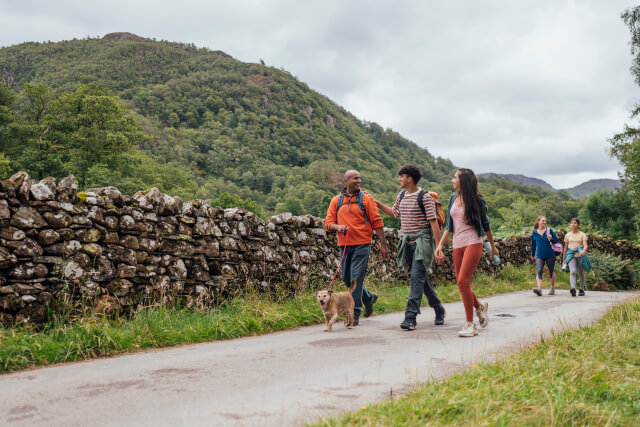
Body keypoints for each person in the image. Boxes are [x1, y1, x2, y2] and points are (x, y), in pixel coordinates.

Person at [374, 164, 446, 330]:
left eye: (401, 176)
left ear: (410, 179)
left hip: (422, 243)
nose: (399, 179)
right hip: (407, 244)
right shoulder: (402, 195)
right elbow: (395, 213)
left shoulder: (425, 197)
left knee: (416, 278)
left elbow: (433, 223)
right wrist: (377, 204)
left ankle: (410, 317)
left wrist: (438, 247)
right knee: (420, 278)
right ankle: (438, 308)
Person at [435, 168, 499, 338]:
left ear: (463, 181)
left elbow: (486, 225)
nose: (452, 180)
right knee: (462, 283)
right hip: (457, 244)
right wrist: (440, 245)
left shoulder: (478, 201)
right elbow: (449, 225)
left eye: (454, 177)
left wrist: (493, 247)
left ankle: (470, 324)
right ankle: (479, 308)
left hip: (473, 242)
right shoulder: (452, 199)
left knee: (463, 281)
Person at [324, 170, 389, 325]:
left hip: (362, 245)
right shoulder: (336, 201)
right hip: (344, 245)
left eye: (360, 178)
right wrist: (338, 227)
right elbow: (328, 223)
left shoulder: (366, 199)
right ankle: (369, 297)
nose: (359, 180)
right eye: (355, 178)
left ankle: (356, 314)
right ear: (347, 180)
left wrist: (383, 245)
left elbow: (377, 223)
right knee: (346, 278)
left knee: (356, 279)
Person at [530, 216, 560, 296]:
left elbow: (557, 240)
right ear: (538, 221)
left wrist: (551, 238)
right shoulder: (534, 232)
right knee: (539, 270)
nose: (544, 222)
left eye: (545, 221)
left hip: (550, 254)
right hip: (539, 255)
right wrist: (532, 254)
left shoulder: (549, 230)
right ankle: (539, 288)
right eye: (543, 221)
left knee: (551, 271)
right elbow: (533, 244)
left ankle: (552, 287)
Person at [561, 218, 591, 297]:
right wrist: (564, 260)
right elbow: (565, 248)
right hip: (571, 256)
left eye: (575, 223)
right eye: (571, 223)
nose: (573, 224)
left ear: (578, 225)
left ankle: (581, 289)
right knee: (573, 271)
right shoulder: (567, 235)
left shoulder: (582, 234)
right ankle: (573, 289)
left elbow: (585, 245)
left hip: (580, 255)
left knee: (581, 272)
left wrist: (583, 252)